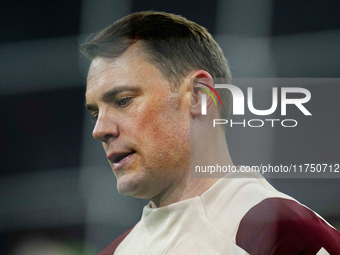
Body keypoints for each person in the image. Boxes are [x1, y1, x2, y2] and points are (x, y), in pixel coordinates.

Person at [81, 11, 340, 255]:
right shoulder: (114, 251)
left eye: (123, 100)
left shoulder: (283, 231)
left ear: (198, 96)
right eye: (95, 113)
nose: (99, 130)